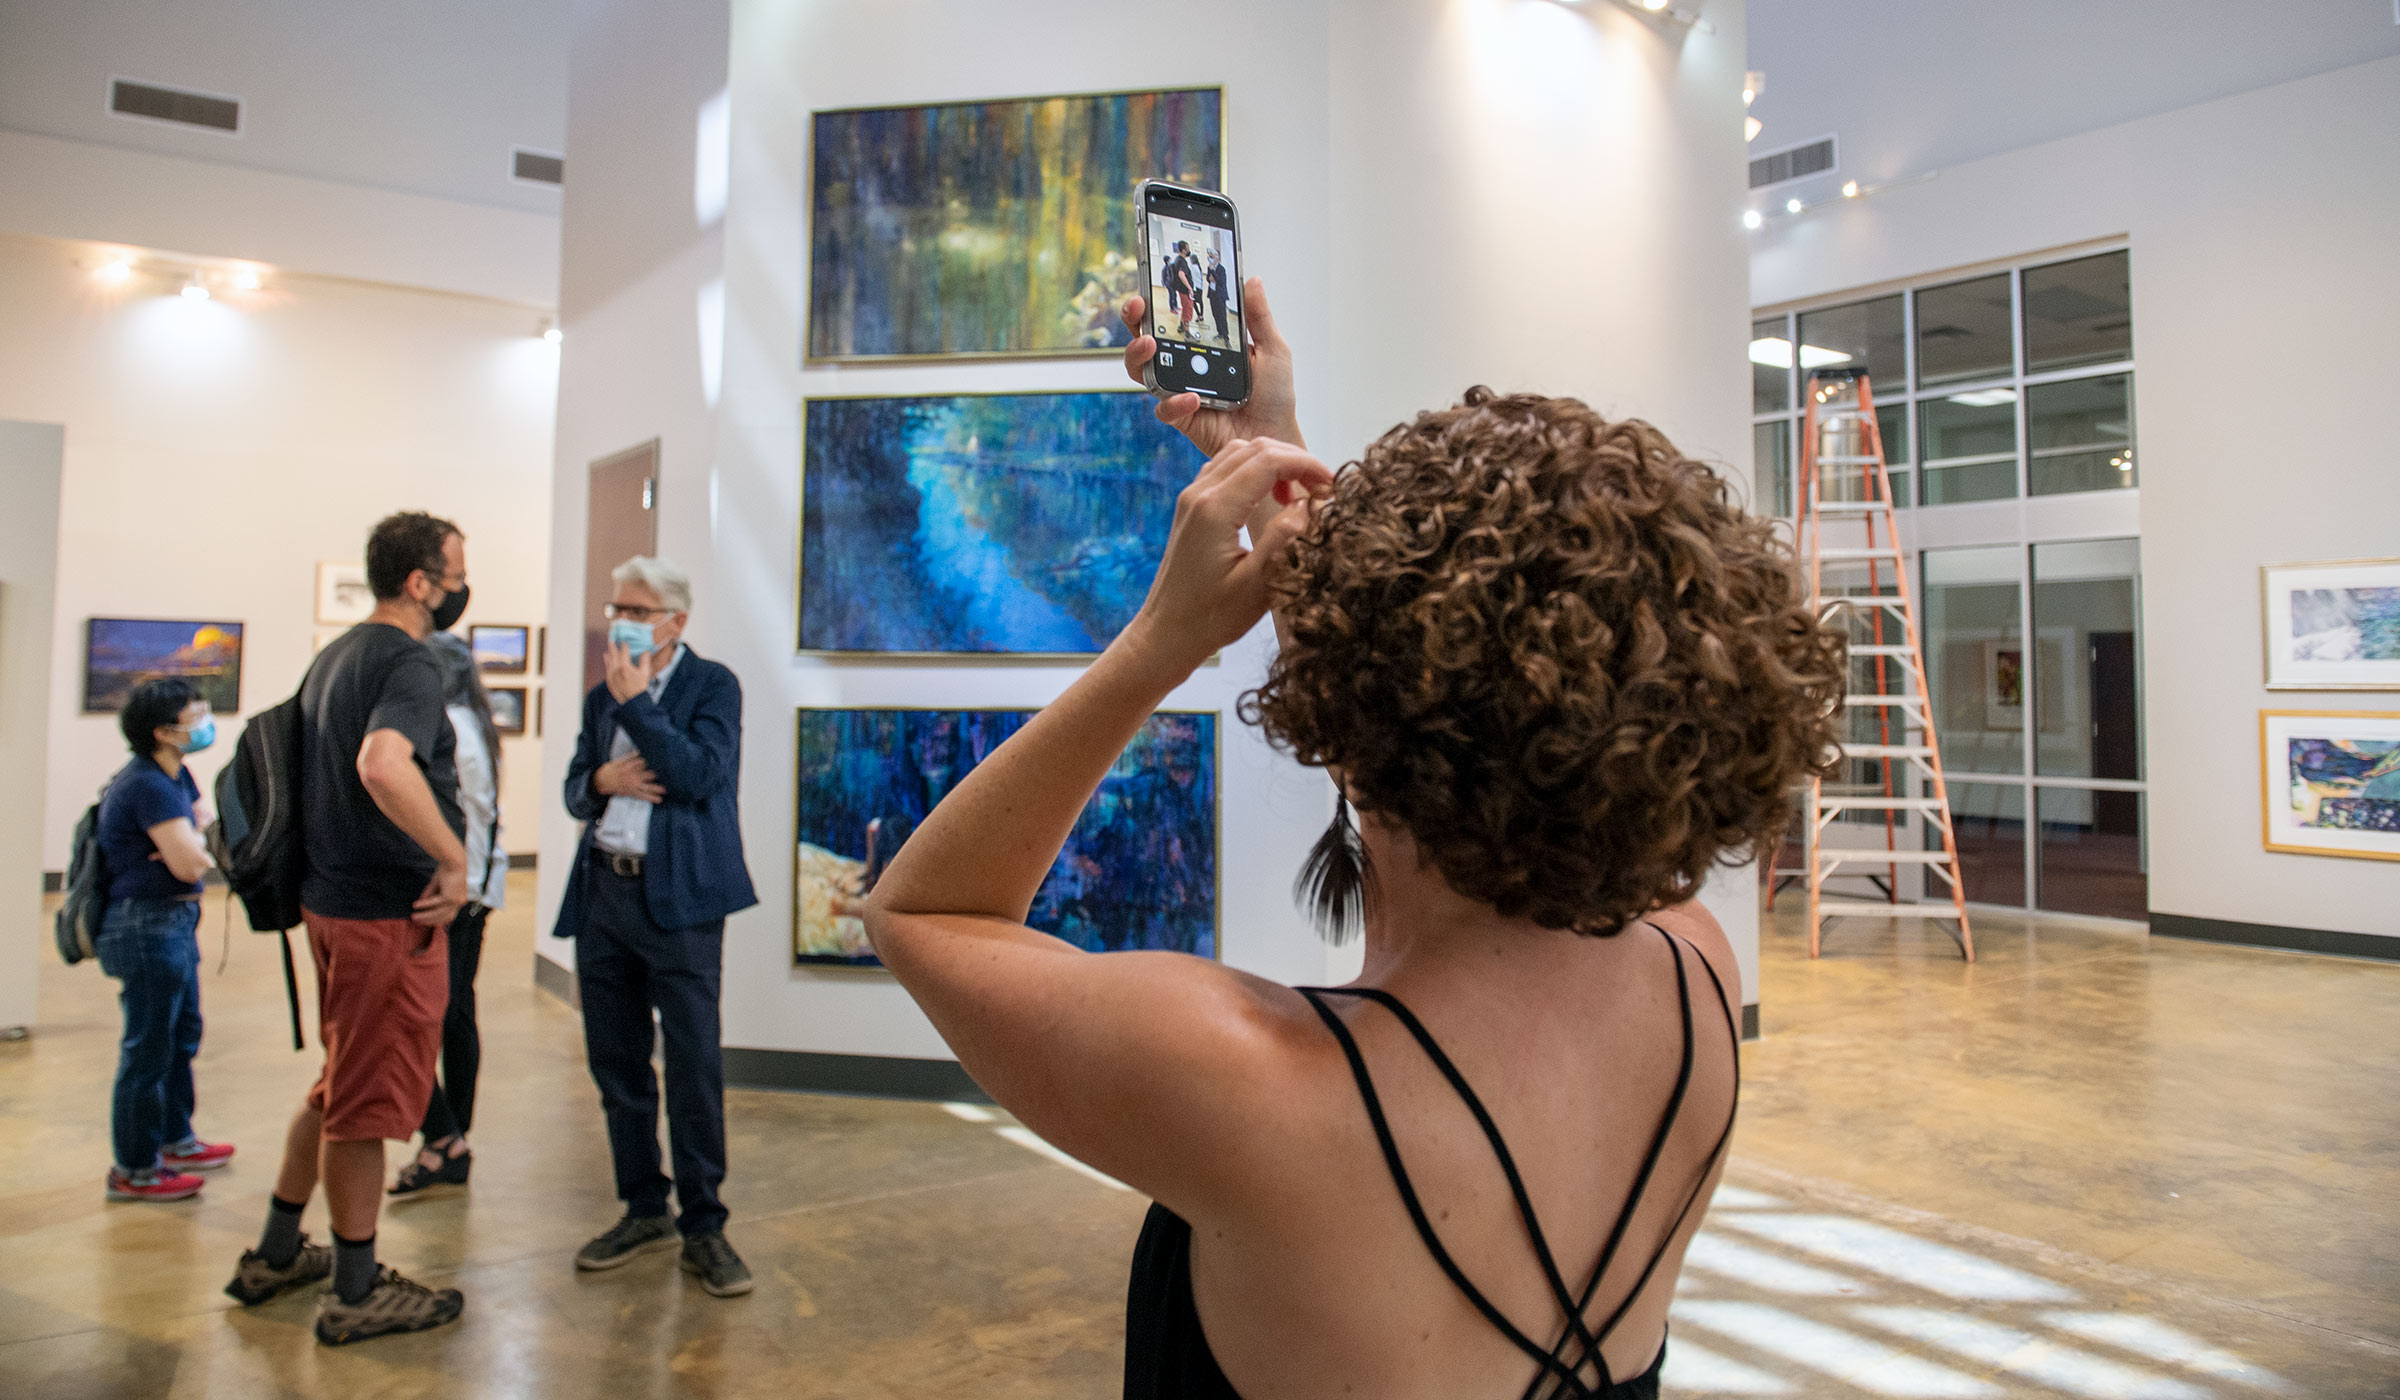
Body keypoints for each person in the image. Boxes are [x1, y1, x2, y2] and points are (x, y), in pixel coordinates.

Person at [856, 288, 1847, 1399]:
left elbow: (921, 910)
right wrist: (1272, 450)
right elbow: (1444, 751)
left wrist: (1161, 639)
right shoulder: (1696, 971)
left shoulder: (1255, 1084)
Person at [224, 510, 474, 1346]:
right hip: (382, 918)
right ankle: (358, 1287)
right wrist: (451, 860)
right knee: (363, 1109)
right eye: (456, 573)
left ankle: (276, 1248)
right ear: (420, 582)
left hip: (328, 905)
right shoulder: (407, 658)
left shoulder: (333, 656)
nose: (462, 589)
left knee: (339, 1083)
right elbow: (382, 763)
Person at [557, 556, 759, 1297]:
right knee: (617, 1066)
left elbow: (698, 776)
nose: (623, 621)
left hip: (680, 906)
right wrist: (600, 782)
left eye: (638, 611)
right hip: (605, 897)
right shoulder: (596, 696)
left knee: (694, 1069)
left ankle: (705, 1227)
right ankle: (644, 1207)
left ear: (676, 620)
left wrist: (639, 704)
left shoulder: (714, 686)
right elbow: (579, 786)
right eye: (617, 607)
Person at [94, 677, 233, 1202]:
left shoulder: (175, 775)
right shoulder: (147, 785)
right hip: (144, 926)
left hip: (172, 920)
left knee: (180, 1036)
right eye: (191, 712)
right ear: (162, 731)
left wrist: (194, 844)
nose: (202, 718)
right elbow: (193, 858)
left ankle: (176, 1139)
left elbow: (205, 834)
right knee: (148, 1047)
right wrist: (194, 847)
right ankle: (135, 1169)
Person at [388, 632, 507, 1199]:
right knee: (456, 1013)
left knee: (413, 1017)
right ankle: (453, 1135)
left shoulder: (448, 728)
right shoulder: (474, 725)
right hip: (476, 889)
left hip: (451, 892)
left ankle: (444, 1135)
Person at [1205, 249, 1230, 344]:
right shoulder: (1209, 267)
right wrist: (1210, 278)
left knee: (1222, 316)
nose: (1209, 258)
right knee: (1215, 315)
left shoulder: (1221, 269)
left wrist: (1213, 274)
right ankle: (1220, 333)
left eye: (1211, 257)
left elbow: (1221, 282)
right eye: (1209, 256)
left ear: (1216, 258)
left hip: (1220, 295)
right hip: (1212, 294)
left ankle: (1226, 336)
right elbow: (1208, 278)